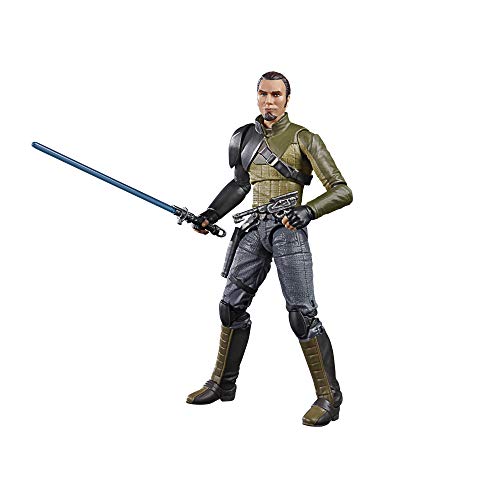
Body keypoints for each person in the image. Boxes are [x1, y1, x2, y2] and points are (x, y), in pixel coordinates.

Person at [186, 71, 353, 426]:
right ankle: (222, 383)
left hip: (288, 231)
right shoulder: (244, 137)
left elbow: (342, 190)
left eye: (276, 95)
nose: (269, 101)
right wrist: (210, 214)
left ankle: (329, 397)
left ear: (287, 99)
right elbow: (239, 185)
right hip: (252, 230)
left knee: (302, 316)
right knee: (230, 307)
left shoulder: (304, 138)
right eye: (263, 94)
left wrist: (307, 211)